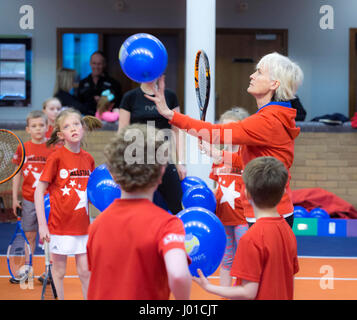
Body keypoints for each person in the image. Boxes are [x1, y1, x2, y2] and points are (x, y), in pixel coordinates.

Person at [147, 52, 303, 227]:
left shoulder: (268, 120)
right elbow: (248, 162)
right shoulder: (272, 116)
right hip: (267, 208)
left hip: (269, 214)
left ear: (274, 84)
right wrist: (217, 154)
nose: (252, 76)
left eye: (259, 72)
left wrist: (170, 115)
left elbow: (216, 133)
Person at [87, 123, 191, 300]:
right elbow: (179, 275)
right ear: (161, 173)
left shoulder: (97, 225)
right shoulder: (167, 224)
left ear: (113, 174)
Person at [193, 156, 299, 300]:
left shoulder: (251, 239)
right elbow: (290, 280)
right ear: (282, 194)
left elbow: (248, 292)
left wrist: (209, 287)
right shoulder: (288, 232)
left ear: (245, 193)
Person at [34, 108, 101, 300]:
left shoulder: (88, 159)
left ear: (83, 128)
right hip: (59, 228)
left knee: (86, 273)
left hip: (83, 229)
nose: (73, 128)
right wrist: (41, 225)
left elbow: (92, 193)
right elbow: (39, 191)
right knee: (59, 272)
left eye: (76, 124)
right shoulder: (56, 157)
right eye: (66, 126)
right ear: (61, 134)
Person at [118, 80, 186, 215]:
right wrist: (122, 164)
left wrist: (181, 162)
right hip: (138, 163)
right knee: (138, 210)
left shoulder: (170, 96)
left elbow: (177, 131)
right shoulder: (130, 97)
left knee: (178, 207)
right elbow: (122, 133)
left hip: (164, 161)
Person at [203, 107, 249, 287]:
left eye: (232, 128)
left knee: (245, 258)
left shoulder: (246, 154)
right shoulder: (218, 159)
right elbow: (217, 186)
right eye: (223, 129)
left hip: (242, 218)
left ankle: (246, 293)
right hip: (224, 217)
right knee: (227, 258)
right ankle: (225, 293)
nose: (227, 133)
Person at [11, 110, 54, 283]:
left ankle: (48, 271)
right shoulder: (23, 148)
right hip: (28, 199)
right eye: (34, 126)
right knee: (30, 237)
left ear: (47, 127)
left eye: (41, 125)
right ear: (28, 129)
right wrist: (15, 198)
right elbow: (17, 174)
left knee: (48, 237)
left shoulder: (53, 148)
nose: (38, 129)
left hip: (47, 200)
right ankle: (27, 270)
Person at [77, 51, 122, 116]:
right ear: (90, 63)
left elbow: (118, 104)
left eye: (99, 64)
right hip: (86, 119)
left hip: (107, 121)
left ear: (104, 64)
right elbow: (79, 103)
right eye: (94, 63)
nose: (96, 67)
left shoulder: (114, 83)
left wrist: (103, 101)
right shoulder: (83, 83)